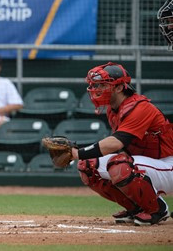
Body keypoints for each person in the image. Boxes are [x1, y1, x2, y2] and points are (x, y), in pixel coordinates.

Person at [68, 62, 173, 226]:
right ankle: (137, 208)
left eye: (103, 85)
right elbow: (122, 148)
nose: (98, 89)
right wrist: (81, 155)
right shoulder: (113, 109)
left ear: (118, 88)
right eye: (97, 85)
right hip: (148, 162)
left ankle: (157, 209)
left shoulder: (140, 107)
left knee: (119, 164)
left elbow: (116, 143)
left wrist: (77, 152)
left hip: (168, 163)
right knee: (87, 165)